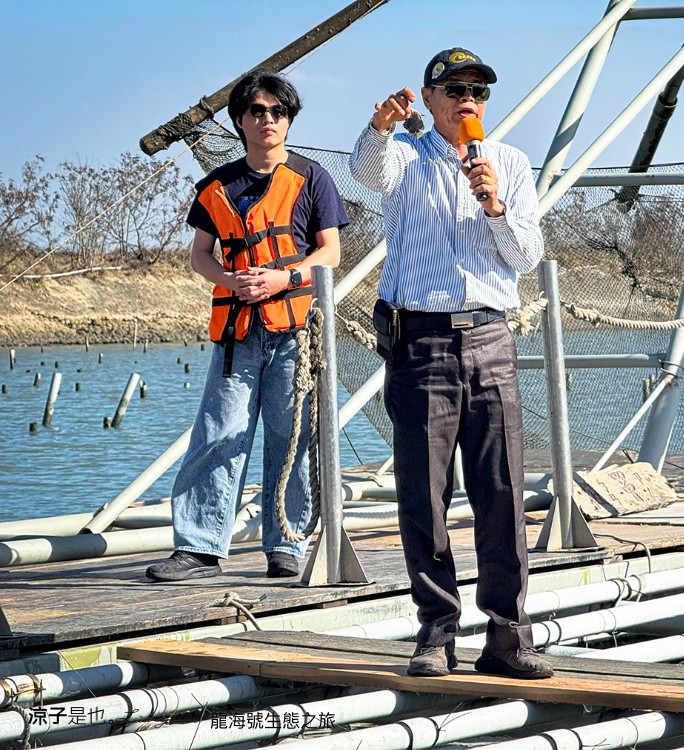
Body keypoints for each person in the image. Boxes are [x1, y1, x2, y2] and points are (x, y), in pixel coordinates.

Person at [349, 47, 551, 679]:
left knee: (502, 490)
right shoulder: (406, 159)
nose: (469, 100)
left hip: (491, 338)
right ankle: (436, 632)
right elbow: (366, 171)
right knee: (424, 493)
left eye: (479, 91)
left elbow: (524, 254)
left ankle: (508, 635)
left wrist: (494, 204)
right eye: (456, 89)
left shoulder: (511, 163)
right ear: (430, 99)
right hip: (421, 343)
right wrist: (380, 125)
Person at [147, 70, 350, 582]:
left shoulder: (312, 178)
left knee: (292, 437)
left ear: (288, 120)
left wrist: (283, 276)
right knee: (219, 432)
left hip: (296, 331)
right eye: (258, 111)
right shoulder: (216, 186)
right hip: (238, 334)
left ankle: (288, 542)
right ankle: (199, 546)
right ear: (240, 120)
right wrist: (232, 280)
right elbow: (200, 256)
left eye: (277, 112)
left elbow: (331, 251)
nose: (268, 120)